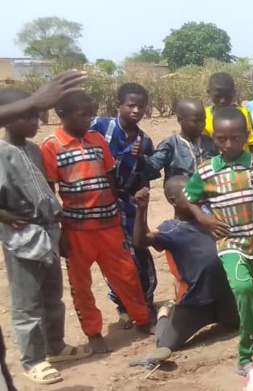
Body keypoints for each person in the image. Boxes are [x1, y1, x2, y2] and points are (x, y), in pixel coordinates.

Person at [41, 91, 151, 353]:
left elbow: (110, 174)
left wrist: (113, 205)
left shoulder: (97, 139)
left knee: (127, 274)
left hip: (109, 224)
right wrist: (60, 232)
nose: (89, 119)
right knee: (81, 286)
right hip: (77, 231)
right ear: (62, 115)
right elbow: (49, 192)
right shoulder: (52, 145)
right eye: (83, 115)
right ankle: (93, 333)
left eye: (91, 113)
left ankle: (143, 319)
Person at [183, 106, 253, 375]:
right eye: (221, 138)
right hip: (230, 243)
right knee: (242, 289)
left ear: (247, 136)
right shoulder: (206, 171)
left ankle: (246, 353)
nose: (228, 144)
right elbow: (189, 197)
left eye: (235, 138)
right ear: (213, 137)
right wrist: (203, 219)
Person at [0, 89, 92, 385]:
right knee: (27, 302)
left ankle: (55, 346)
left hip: (47, 233)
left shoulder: (34, 150)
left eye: (36, 115)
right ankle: (33, 360)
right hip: (21, 236)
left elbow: (46, 192)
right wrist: (5, 216)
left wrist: (60, 228)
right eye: (26, 116)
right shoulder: (1, 153)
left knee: (53, 294)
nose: (34, 122)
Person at [128, 176, 239, 369]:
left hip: (223, 296)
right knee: (165, 345)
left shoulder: (208, 221)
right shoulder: (170, 229)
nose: (196, 197)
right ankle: (165, 312)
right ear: (173, 201)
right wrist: (142, 209)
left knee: (242, 325)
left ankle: (220, 314)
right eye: (189, 194)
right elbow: (140, 241)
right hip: (193, 303)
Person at [90, 82, 159, 326]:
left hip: (128, 202)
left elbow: (146, 180)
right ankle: (123, 304)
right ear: (119, 105)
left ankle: (146, 302)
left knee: (139, 252)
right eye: (131, 105)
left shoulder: (144, 140)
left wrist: (143, 213)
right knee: (114, 256)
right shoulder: (99, 127)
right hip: (99, 203)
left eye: (141, 106)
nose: (136, 110)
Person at [147, 99, 219, 180]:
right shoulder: (170, 145)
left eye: (203, 120)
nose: (202, 124)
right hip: (180, 191)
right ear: (180, 120)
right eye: (196, 121)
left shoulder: (210, 142)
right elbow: (152, 168)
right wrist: (140, 158)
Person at [204, 72, 253, 152]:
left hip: (243, 162)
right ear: (209, 93)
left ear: (233, 93)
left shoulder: (243, 113)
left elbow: (251, 143)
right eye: (218, 96)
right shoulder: (204, 116)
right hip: (217, 163)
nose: (222, 100)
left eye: (227, 95)